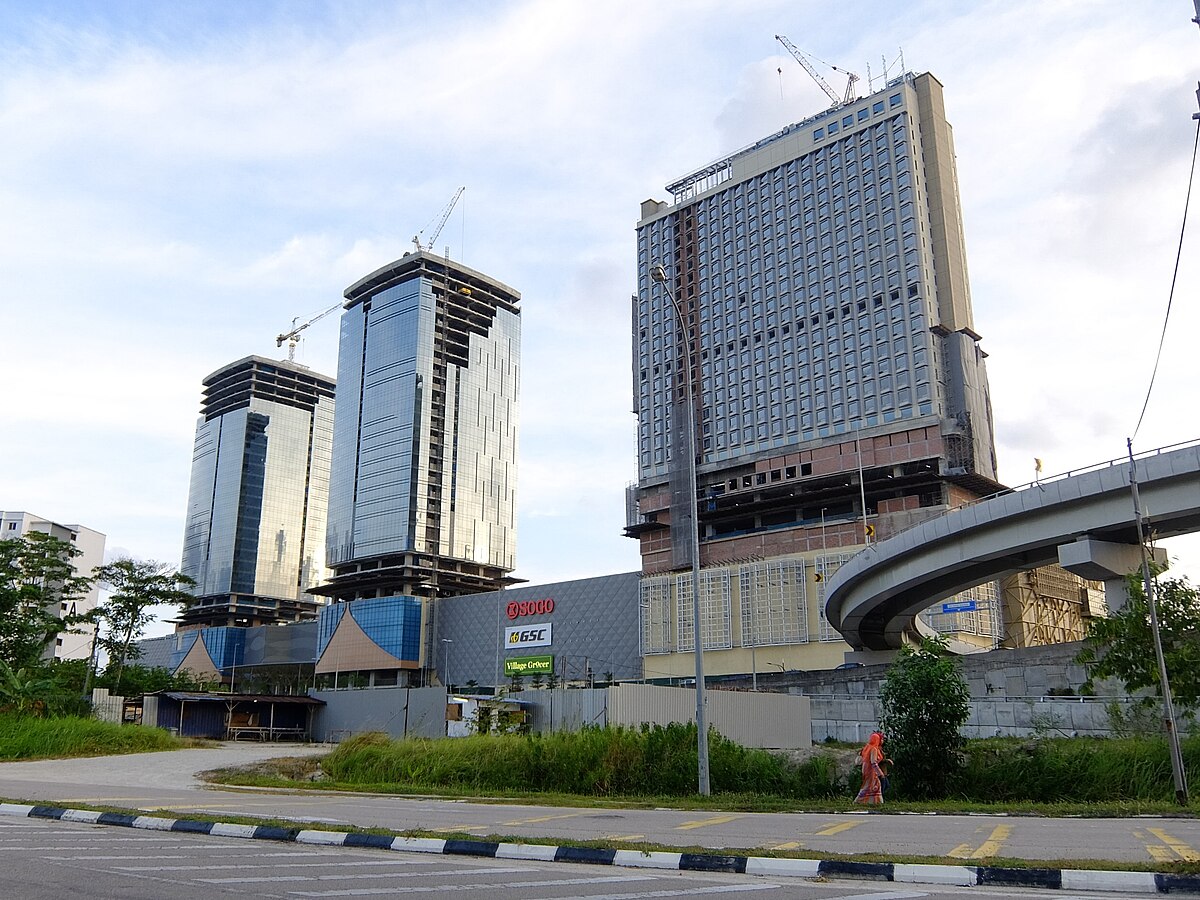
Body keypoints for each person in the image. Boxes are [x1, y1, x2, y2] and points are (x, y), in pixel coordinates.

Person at [854, 731, 887, 805]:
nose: (882, 741)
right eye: (881, 739)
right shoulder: (874, 749)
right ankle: (859, 801)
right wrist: (880, 773)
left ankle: (875, 802)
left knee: (873, 786)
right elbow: (873, 762)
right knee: (870, 786)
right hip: (871, 771)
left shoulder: (867, 747)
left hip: (865, 769)